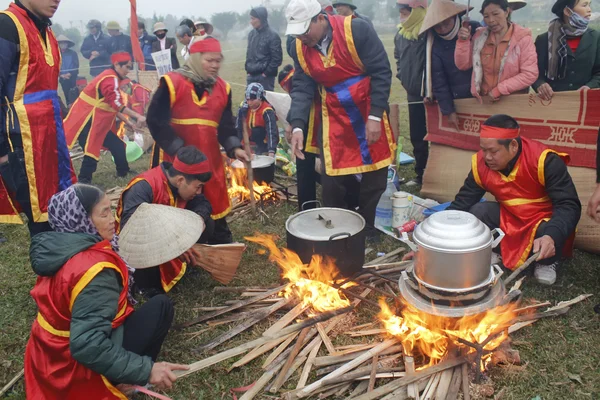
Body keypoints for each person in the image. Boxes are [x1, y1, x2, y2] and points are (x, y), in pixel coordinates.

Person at [25, 184, 188, 398]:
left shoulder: (60, 247)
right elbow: (87, 346)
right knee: (161, 306)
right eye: (104, 214)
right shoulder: (95, 271)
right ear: (82, 219)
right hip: (72, 368)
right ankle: (122, 381)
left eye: (111, 210)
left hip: (46, 356)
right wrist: (145, 370)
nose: (113, 219)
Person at [286, 0, 395, 235]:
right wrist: (297, 126)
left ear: (320, 18)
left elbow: (381, 71)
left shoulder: (357, 30)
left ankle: (367, 224)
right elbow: (302, 87)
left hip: (366, 106)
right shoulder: (297, 46)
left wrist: (376, 116)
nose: (302, 38)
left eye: (305, 30)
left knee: (374, 171)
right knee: (333, 175)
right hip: (333, 111)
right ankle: (337, 225)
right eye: (297, 33)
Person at [448, 114, 581, 285]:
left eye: (493, 151)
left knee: (549, 230)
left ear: (513, 146)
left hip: (542, 220)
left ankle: (547, 261)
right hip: (510, 217)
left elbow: (569, 205)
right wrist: (437, 232)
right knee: (478, 212)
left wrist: (551, 236)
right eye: (484, 149)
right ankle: (498, 250)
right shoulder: (481, 163)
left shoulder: (544, 160)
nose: (487, 157)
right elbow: (462, 202)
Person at [147, 37, 249, 244]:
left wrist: (234, 147)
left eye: (218, 61)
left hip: (209, 155)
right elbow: (155, 120)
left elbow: (226, 125)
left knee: (212, 192)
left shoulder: (223, 89)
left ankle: (217, 238)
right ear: (195, 58)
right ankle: (178, 243)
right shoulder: (172, 83)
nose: (215, 65)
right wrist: (180, 150)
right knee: (179, 197)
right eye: (209, 60)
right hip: (177, 156)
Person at [0, 0, 75, 236]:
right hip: (20, 142)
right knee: (40, 221)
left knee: (61, 207)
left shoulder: (47, 30)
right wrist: (2, 151)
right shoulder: (7, 25)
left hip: (51, 138)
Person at [116, 146, 214, 295]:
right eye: (198, 187)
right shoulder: (144, 187)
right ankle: (145, 287)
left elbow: (203, 203)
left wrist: (197, 221)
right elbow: (133, 233)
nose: (199, 192)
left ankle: (184, 265)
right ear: (181, 180)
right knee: (148, 278)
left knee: (205, 223)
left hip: (167, 239)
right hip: (140, 246)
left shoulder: (181, 184)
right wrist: (175, 245)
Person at [64, 52, 146, 184]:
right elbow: (117, 104)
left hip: (97, 118)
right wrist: (138, 116)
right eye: (127, 67)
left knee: (117, 145)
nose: (128, 71)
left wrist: (129, 123)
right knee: (92, 148)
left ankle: (123, 170)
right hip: (88, 118)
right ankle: (84, 180)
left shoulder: (112, 77)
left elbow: (112, 106)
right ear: (117, 65)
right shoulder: (110, 78)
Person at [455, 0, 538, 101]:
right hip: (484, 101)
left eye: (495, 14)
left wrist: (499, 90)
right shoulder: (479, 37)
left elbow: (529, 74)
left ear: (507, 12)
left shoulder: (523, 39)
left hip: (513, 101)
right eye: (486, 16)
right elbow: (463, 65)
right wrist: (463, 42)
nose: (491, 20)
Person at [421, 0, 480, 131]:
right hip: (456, 98)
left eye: (446, 23)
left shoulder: (474, 28)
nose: (442, 29)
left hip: (481, 94)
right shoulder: (433, 44)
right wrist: (449, 110)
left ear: (455, 17)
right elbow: (438, 80)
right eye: (437, 26)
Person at [533, 0, 598, 100]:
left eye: (589, 5)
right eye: (584, 5)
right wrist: (540, 84)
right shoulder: (544, 40)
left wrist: (589, 86)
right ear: (568, 11)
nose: (589, 10)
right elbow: (534, 73)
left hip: (586, 102)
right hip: (554, 102)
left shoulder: (595, 37)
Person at [394, 0, 429, 187]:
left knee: (438, 136)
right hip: (413, 94)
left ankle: (437, 173)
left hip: (433, 96)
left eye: (406, 12)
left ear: (417, 12)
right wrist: (404, 79)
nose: (402, 17)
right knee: (417, 135)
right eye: (401, 13)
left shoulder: (429, 33)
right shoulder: (400, 34)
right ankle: (421, 173)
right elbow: (398, 58)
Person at [246, 6, 283, 91]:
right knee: (250, 102)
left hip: (265, 78)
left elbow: (277, 59)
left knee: (266, 102)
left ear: (261, 18)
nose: (251, 22)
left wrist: (266, 74)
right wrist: (248, 71)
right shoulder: (251, 34)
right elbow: (249, 54)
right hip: (251, 75)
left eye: (253, 19)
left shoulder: (273, 35)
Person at [236, 83, 279, 157]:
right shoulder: (243, 107)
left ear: (260, 98)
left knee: (257, 131)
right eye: (248, 99)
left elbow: (272, 131)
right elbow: (238, 127)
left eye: (252, 100)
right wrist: (237, 146)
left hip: (263, 141)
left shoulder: (267, 110)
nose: (249, 103)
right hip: (247, 140)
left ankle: (262, 150)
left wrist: (271, 150)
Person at [57, 34, 80, 106]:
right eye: (61, 43)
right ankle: (69, 108)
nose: (63, 44)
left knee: (74, 94)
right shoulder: (56, 54)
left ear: (67, 44)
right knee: (66, 94)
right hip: (62, 78)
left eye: (64, 43)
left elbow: (76, 65)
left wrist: (70, 74)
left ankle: (76, 107)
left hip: (72, 77)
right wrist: (61, 75)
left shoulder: (73, 53)